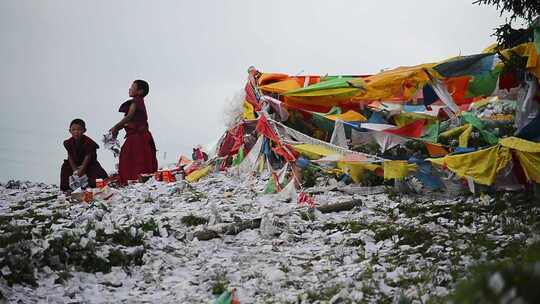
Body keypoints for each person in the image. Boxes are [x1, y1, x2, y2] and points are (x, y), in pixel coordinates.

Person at [110, 80, 158, 185]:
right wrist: (119, 128)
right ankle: (136, 181)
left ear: (140, 91)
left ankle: (133, 181)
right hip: (138, 136)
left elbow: (129, 116)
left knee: (135, 160)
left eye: (132, 87)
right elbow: (129, 121)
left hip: (138, 137)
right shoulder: (137, 102)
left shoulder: (136, 101)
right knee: (133, 159)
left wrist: (116, 127)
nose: (130, 88)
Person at [60, 119, 108, 191]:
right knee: (65, 167)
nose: (76, 132)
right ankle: (66, 189)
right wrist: (75, 171)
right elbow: (69, 156)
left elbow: (88, 156)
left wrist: (81, 170)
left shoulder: (88, 142)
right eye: (74, 129)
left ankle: (90, 187)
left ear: (84, 130)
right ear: (70, 131)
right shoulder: (68, 142)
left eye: (79, 129)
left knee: (96, 180)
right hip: (75, 164)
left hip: (89, 164)